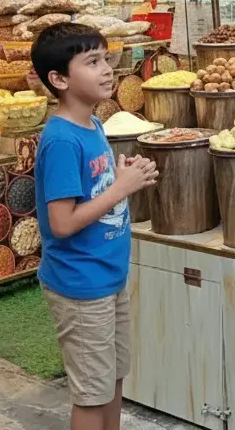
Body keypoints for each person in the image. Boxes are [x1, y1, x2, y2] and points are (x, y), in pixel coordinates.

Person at [31, 23, 158, 430]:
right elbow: (62, 222)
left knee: (112, 377)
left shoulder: (93, 125)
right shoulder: (62, 141)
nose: (106, 69)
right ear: (59, 79)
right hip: (80, 284)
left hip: (106, 277)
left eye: (105, 58)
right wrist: (121, 188)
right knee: (91, 393)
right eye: (91, 62)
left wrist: (119, 177)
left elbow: (92, 191)